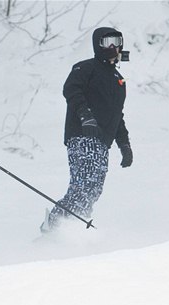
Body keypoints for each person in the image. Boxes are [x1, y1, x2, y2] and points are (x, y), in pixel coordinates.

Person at [41, 27, 133, 232]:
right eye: (107, 41)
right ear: (97, 44)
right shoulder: (86, 68)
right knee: (84, 185)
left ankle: (73, 228)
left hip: (102, 143)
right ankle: (55, 226)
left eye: (116, 41)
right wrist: (86, 116)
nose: (112, 46)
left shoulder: (118, 81)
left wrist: (124, 145)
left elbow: (118, 115)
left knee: (93, 189)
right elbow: (71, 90)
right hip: (83, 137)